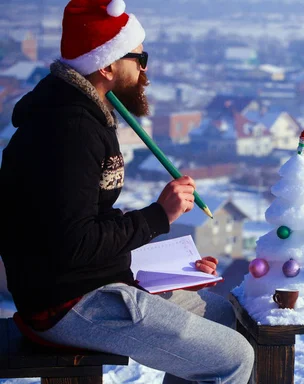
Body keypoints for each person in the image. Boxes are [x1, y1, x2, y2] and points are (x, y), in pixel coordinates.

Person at [0, 1, 254, 383]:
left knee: (223, 317)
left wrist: (171, 270)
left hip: (90, 282)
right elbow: (74, 244)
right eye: (139, 57)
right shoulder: (68, 132)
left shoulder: (84, 116)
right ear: (106, 66)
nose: (144, 69)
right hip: (69, 302)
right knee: (233, 357)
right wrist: (158, 216)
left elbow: (83, 222)